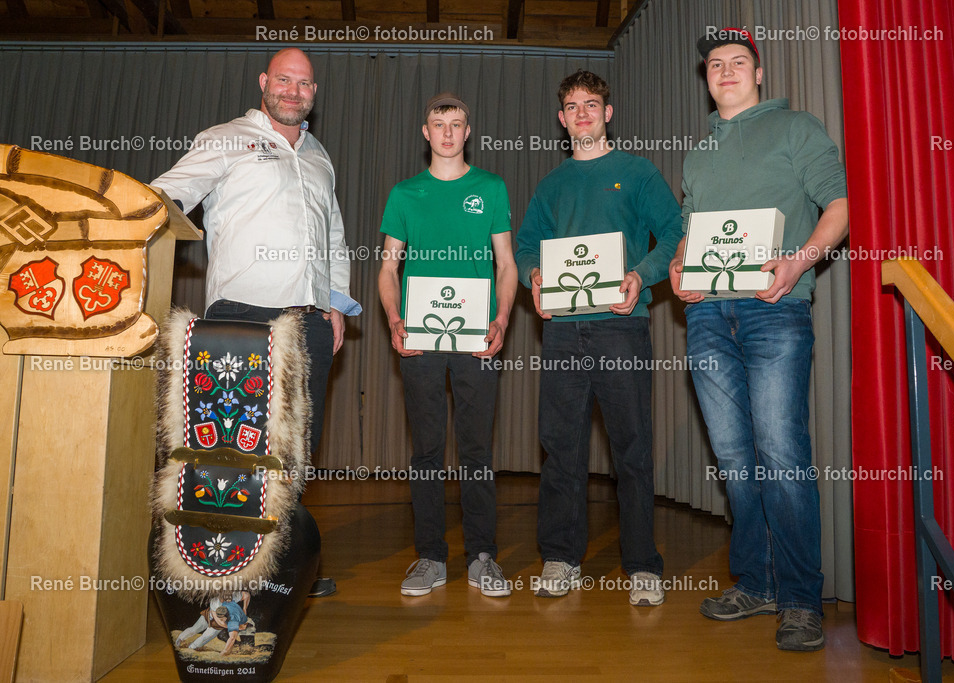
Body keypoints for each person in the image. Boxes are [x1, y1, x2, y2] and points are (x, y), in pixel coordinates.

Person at [152, 48, 361, 598]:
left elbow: (333, 237)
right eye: (285, 80)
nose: (295, 91)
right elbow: (171, 192)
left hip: (310, 320)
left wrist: (336, 304)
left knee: (294, 448)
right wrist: (132, 216)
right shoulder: (225, 137)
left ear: (315, 92)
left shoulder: (319, 156)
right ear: (264, 82)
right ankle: (229, 578)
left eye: (305, 84)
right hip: (242, 317)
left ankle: (280, 566)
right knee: (235, 451)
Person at [669, 28, 849, 651]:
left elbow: (839, 210)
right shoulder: (698, 154)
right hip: (707, 317)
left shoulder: (798, 128)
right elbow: (692, 237)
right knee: (735, 460)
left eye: (737, 62)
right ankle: (757, 581)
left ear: (759, 72)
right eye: (714, 64)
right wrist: (676, 267)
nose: (724, 72)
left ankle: (801, 599)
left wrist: (799, 262)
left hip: (775, 311)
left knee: (782, 455)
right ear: (707, 77)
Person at [514, 70, 682, 606]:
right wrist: (533, 276)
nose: (583, 113)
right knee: (560, 448)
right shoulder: (552, 185)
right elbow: (523, 249)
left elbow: (676, 233)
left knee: (631, 449)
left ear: (608, 113)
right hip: (561, 332)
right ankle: (560, 558)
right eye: (572, 106)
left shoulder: (638, 173)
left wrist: (641, 274)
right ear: (561, 119)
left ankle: (642, 565)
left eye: (592, 104)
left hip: (621, 327)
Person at [377, 92, 517, 598]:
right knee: (428, 451)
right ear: (426, 132)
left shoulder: (491, 187)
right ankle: (430, 557)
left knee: (477, 450)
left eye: (457, 124)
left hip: (477, 337)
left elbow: (506, 263)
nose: (448, 133)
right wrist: (394, 318)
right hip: (420, 340)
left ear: (468, 131)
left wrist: (501, 319)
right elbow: (389, 266)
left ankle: (482, 556)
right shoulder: (404, 194)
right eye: (440, 124)